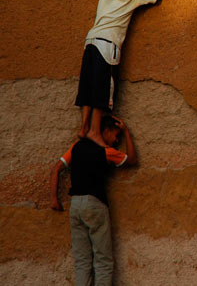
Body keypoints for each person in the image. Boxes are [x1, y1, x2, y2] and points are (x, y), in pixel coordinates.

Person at [76, 0, 169, 147]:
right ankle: (94, 131)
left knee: (89, 84)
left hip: (91, 40)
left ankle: (83, 127)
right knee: (102, 88)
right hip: (109, 45)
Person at [50, 114, 137, 286]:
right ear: (106, 130)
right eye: (115, 136)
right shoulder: (106, 152)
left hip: (75, 204)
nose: (115, 140)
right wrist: (127, 132)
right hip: (95, 204)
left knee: (82, 261)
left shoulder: (77, 147)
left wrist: (54, 199)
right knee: (103, 262)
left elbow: (55, 169)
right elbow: (132, 159)